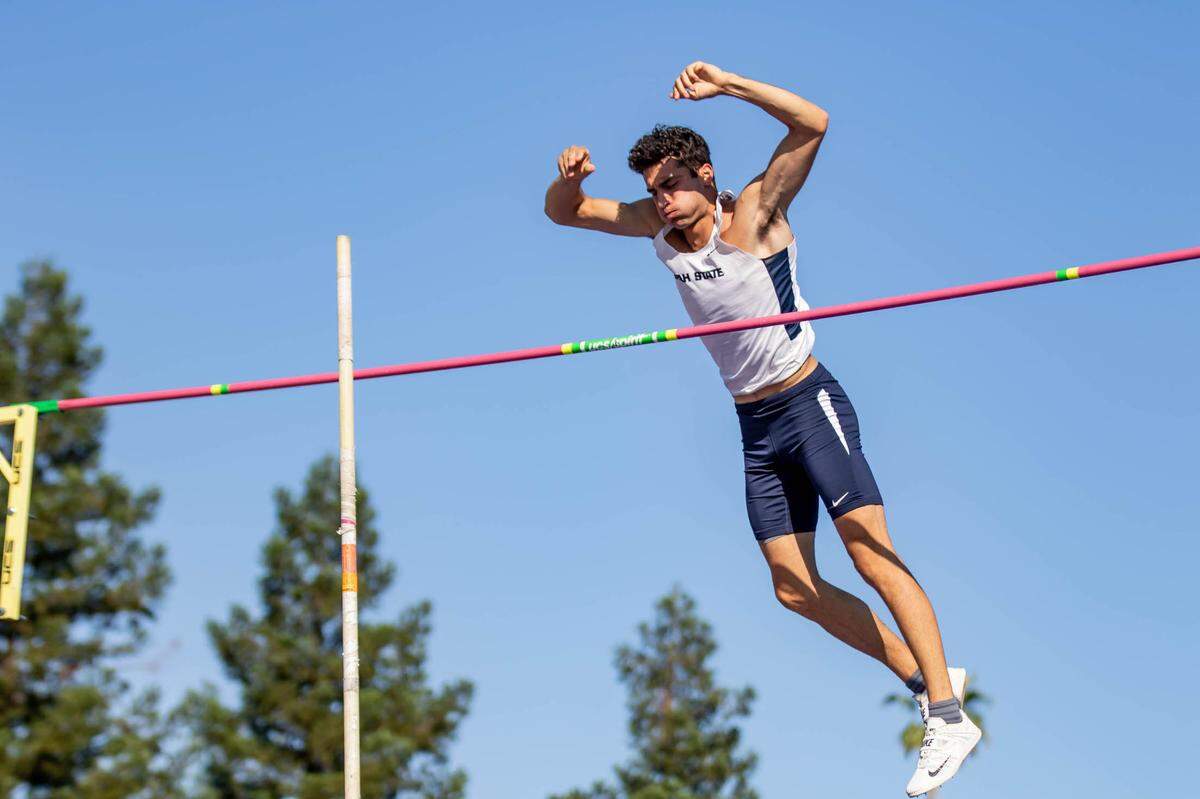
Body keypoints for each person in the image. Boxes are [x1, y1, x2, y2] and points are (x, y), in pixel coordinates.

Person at [544, 62, 980, 796]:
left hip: (808, 402)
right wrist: (569, 179)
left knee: (870, 552)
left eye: (673, 184)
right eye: (654, 188)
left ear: (706, 174)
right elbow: (566, 213)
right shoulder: (657, 226)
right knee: (794, 588)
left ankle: (947, 714)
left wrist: (730, 86)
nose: (664, 198)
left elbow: (814, 123)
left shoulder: (754, 212)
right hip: (755, 423)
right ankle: (924, 673)